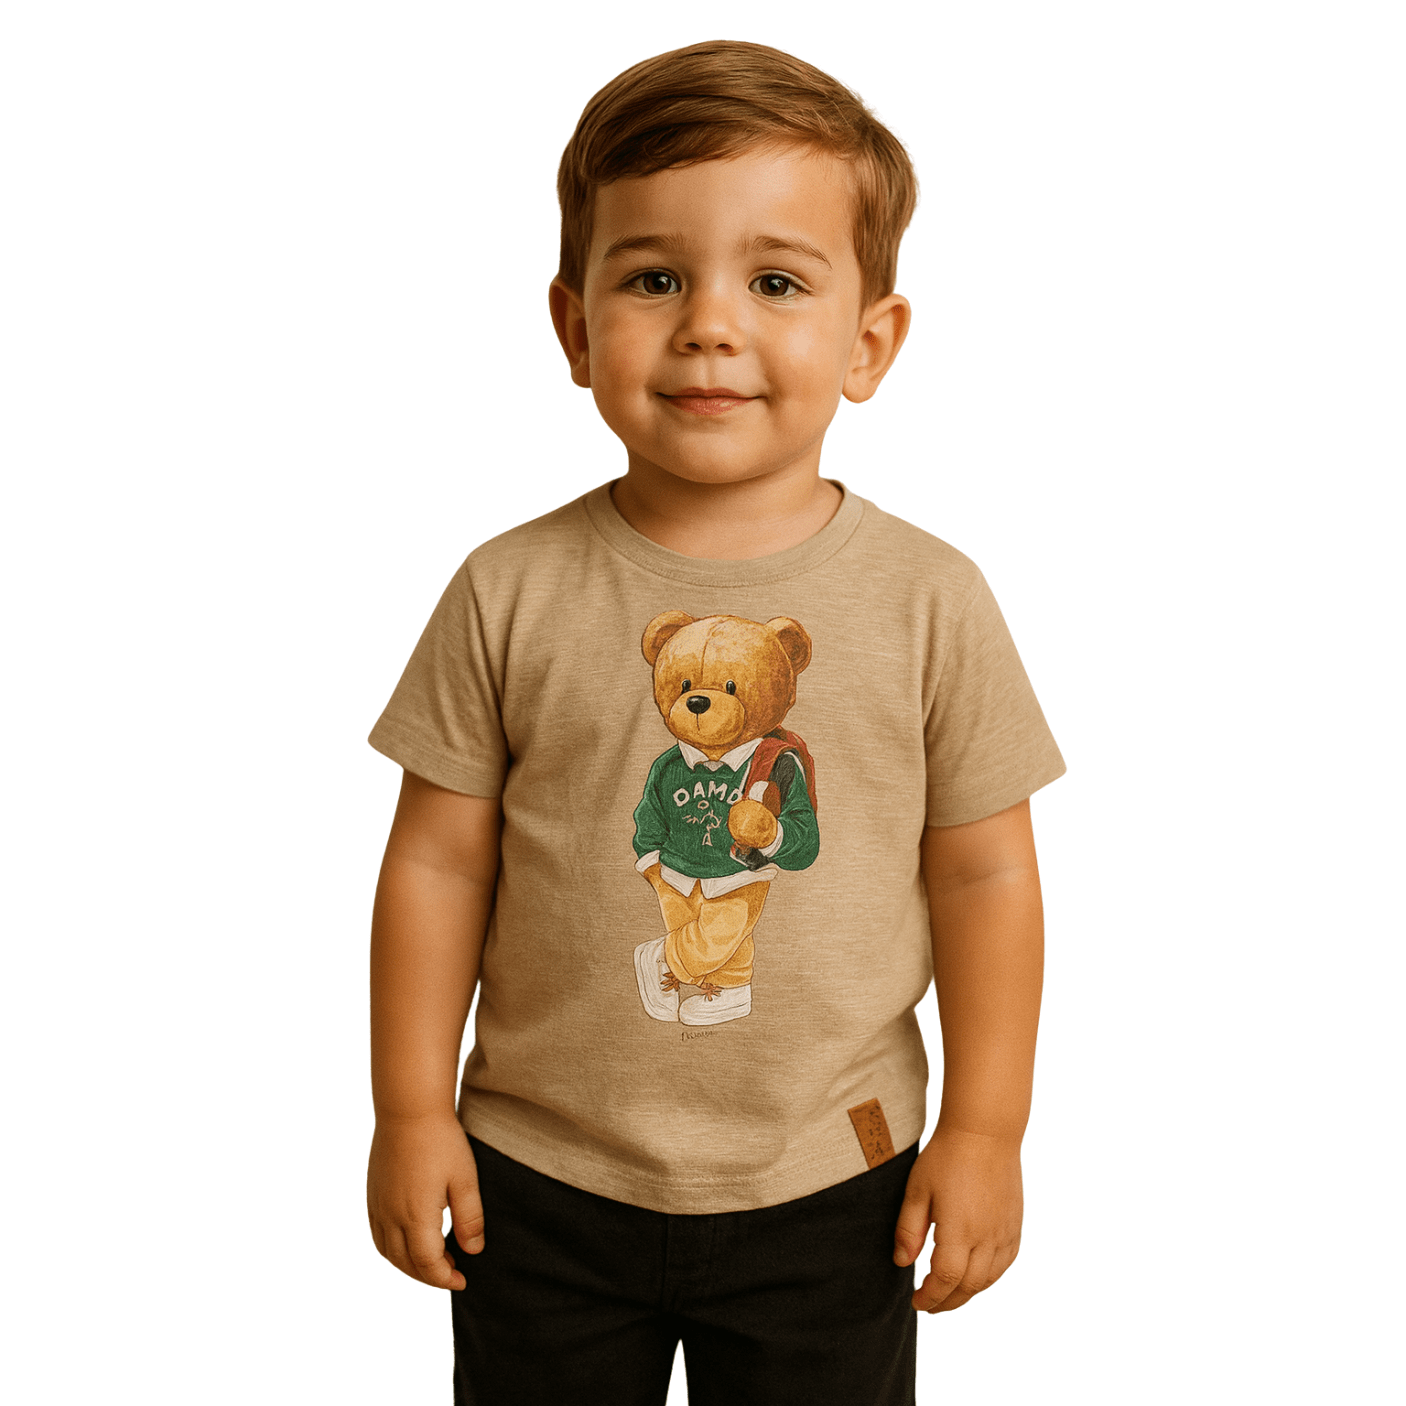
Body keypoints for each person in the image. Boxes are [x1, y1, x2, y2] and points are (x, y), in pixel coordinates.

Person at [365, 39, 1065, 1406]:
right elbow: (436, 864)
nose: (708, 325)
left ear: (869, 343)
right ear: (575, 328)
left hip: (834, 1173)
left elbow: (985, 874)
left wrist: (988, 1129)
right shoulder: (508, 589)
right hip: (540, 1175)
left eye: (775, 281)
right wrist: (408, 1109)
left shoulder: (931, 601)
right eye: (653, 278)